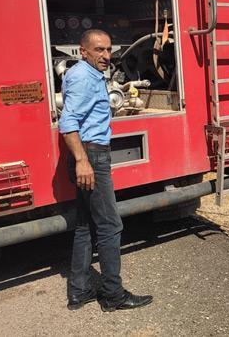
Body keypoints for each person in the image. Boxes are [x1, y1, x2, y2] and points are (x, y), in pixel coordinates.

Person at [59, 29, 153, 312]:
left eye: (108, 49)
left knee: (86, 225)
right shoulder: (83, 78)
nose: (105, 55)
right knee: (111, 226)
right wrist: (83, 161)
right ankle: (113, 294)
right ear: (82, 51)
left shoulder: (87, 76)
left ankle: (79, 291)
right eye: (98, 50)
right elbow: (68, 124)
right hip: (91, 157)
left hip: (89, 155)